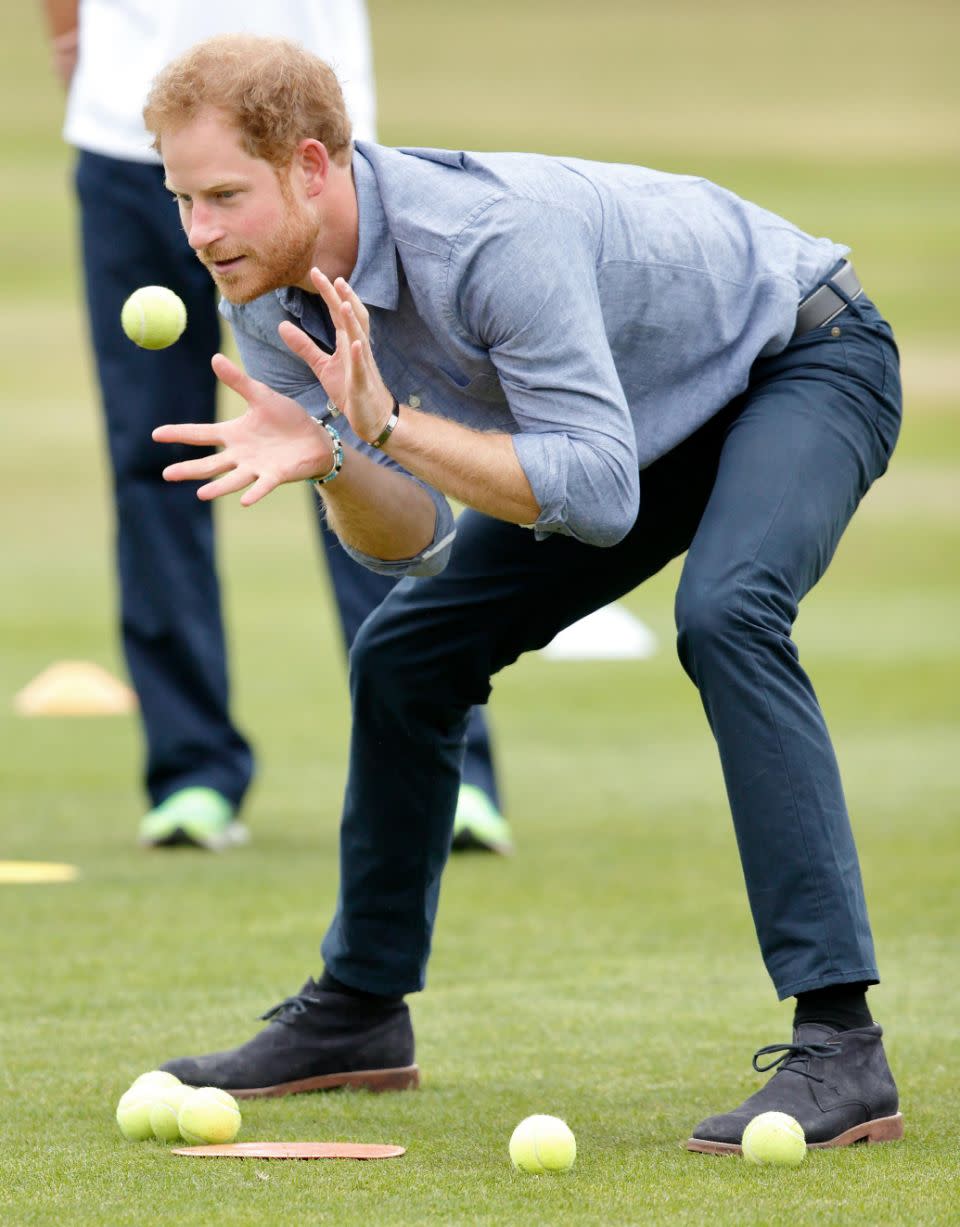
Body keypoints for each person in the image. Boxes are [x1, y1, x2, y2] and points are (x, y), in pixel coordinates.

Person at [145, 35, 904, 1151]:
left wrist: (385, 426)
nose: (199, 232)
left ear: (310, 166)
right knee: (407, 652)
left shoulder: (489, 239)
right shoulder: (269, 292)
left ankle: (843, 1043)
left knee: (727, 613)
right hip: (638, 423)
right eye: (180, 198)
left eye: (223, 196)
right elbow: (407, 546)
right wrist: (341, 459)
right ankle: (359, 1012)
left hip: (798, 358)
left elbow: (596, 496)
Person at [41, 0, 510, 854]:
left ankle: (448, 770)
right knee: (159, 456)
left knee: (367, 440)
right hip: (127, 137)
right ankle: (191, 772)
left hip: (302, 155)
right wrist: (70, 38)